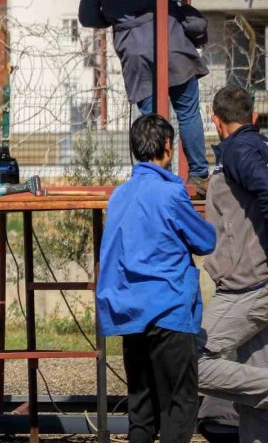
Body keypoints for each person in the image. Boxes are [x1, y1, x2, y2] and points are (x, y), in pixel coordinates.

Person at [96, 113, 216, 443]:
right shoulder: (170, 194)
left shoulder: (119, 196)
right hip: (168, 311)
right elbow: (204, 241)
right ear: (167, 146)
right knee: (179, 404)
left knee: (142, 409)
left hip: (129, 313)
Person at [78, 0, 210, 193]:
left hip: (133, 49)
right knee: (187, 111)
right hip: (171, 37)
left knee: (152, 120)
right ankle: (199, 176)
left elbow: (87, 16)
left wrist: (117, 19)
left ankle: (158, 182)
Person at [199, 86, 268, 442]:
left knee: (190, 361)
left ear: (214, 121)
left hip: (249, 287)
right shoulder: (256, 147)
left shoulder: (240, 149)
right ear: (253, 118)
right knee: (257, 390)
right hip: (254, 283)